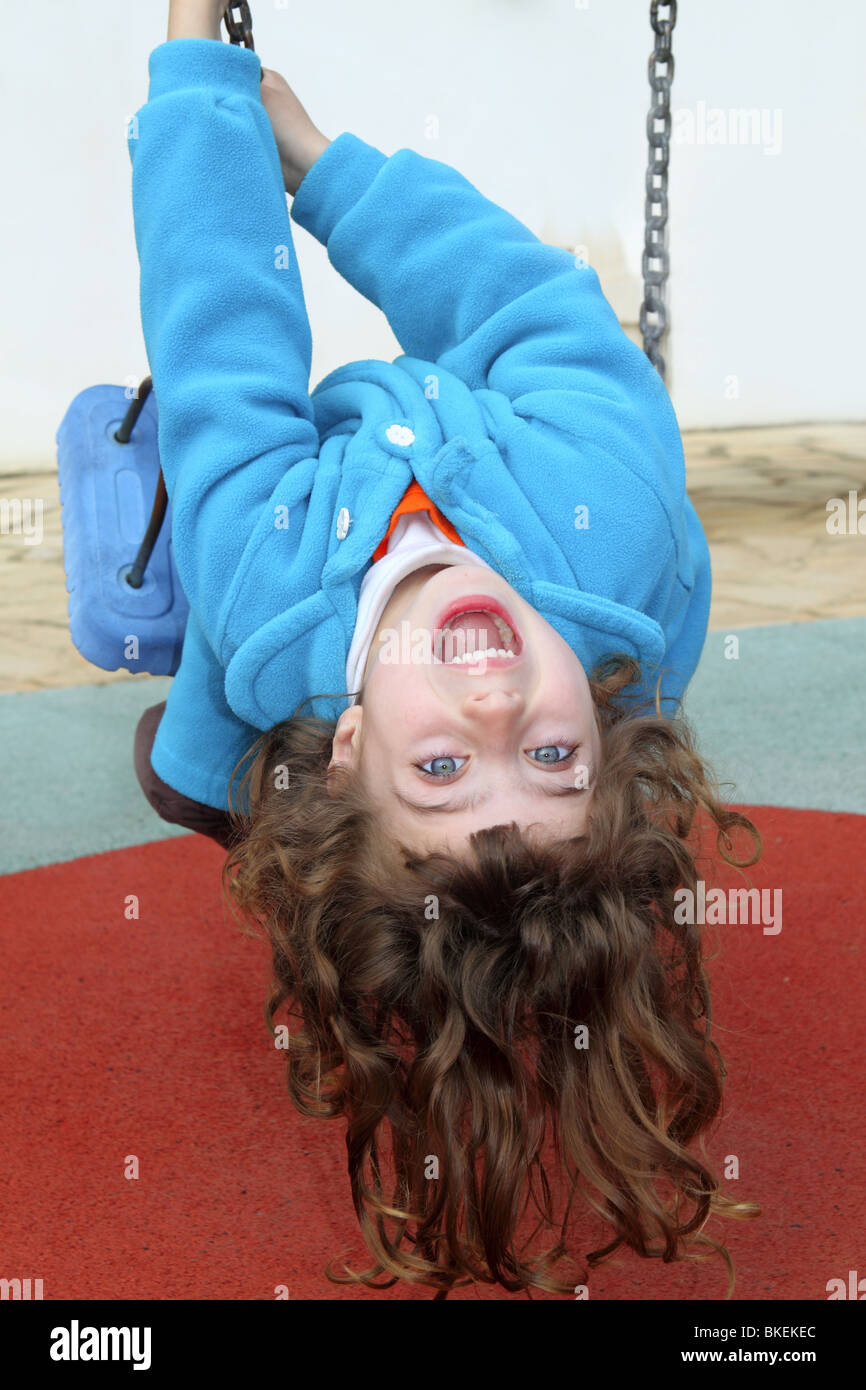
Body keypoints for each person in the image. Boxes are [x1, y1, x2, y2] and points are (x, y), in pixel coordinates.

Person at [128, 0, 761, 1297]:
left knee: (226, 640)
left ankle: (222, 780)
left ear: (349, 743)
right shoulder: (609, 498)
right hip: (554, 496)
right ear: (597, 720)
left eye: (438, 773)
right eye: (547, 754)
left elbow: (219, 343)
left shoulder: (270, 571)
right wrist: (317, 159)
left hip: (306, 577)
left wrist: (200, 54)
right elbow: (514, 300)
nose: (490, 709)